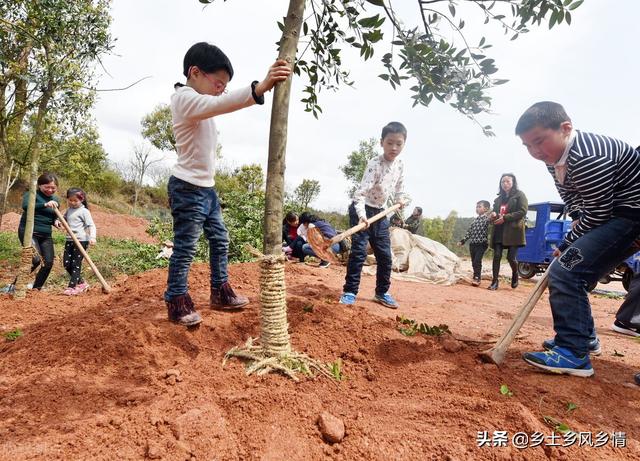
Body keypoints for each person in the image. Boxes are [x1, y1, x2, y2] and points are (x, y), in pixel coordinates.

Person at [164, 42, 291, 326]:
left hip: (206, 189)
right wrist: (260, 88)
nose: (221, 90)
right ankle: (176, 300)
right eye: (218, 83)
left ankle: (220, 292)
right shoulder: (184, 99)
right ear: (194, 73)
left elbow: (216, 105)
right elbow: (220, 104)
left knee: (220, 240)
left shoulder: (200, 104)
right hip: (187, 188)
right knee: (186, 247)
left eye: (224, 86)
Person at [516, 101, 640, 378]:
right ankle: (583, 338)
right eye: (527, 146)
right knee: (571, 272)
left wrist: (564, 243)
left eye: (539, 141)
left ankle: (573, 352)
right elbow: (571, 197)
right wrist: (575, 219)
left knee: (566, 271)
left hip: (628, 217)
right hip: (610, 215)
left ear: (565, 128)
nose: (535, 151)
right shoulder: (555, 157)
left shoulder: (587, 157)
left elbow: (597, 214)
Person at [339, 121, 408, 309]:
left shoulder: (400, 165)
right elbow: (359, 194)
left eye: (398, 143)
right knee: (359, 252)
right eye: (390, 143)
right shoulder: (374, 164)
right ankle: (350, 291)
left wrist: (400, 200)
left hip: (380, 213)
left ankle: (382, 292)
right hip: (362, 210)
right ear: (382, 142)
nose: (394, 147)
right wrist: (362, 216)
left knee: (385, 256)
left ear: (404, 144)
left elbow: (399, 189)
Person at [17, 172, 61, 290]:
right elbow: (26, 206)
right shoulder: (31, 194)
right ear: (40, 186)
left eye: (53, 188)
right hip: (29, 232)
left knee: (48, 263)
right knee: (35, 260)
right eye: (47, 187)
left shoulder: (56, 200)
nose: (50, 190)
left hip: (46, 235)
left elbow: (53, 217)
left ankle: (36, 288)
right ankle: (16, 285)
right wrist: (45, 204)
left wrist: (56, 221)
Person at [487, 173, 528, 290]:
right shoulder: (498, 199)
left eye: (508, 181)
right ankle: (494, 282)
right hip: (499, 230)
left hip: (513, 230)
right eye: (503, 182)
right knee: (497, 256)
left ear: (513, 183)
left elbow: (522, 211)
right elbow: (494, 212)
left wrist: (505, 218)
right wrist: (493, 215)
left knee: (511, 257)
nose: (505, 184)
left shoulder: (520, 195)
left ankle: (515, 274)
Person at [61, 188, 96, 295]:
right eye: (70, 200)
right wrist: (58, 221)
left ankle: (72, 287)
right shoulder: (69, 210)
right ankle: (81, 283)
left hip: (81, 240)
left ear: (81, 200)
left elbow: (91, 225)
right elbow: (63, 219)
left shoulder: (84, 211)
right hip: (69, 239)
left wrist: (92, 237)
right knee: (66, 264)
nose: (72, 202)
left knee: (76, 263)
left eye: (75, 201)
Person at [458, 200, 491, 286]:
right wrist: (462, 241)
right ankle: (475, 275)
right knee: (473, 262)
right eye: (476, 207)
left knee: (477, 261)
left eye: (479, 206)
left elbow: (491, 229)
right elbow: (469, 232)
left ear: (486, 209)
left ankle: (477, 278)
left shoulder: (487, 220)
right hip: (473, 244)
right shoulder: (474, 221)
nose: (477, 208)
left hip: (481, 244)